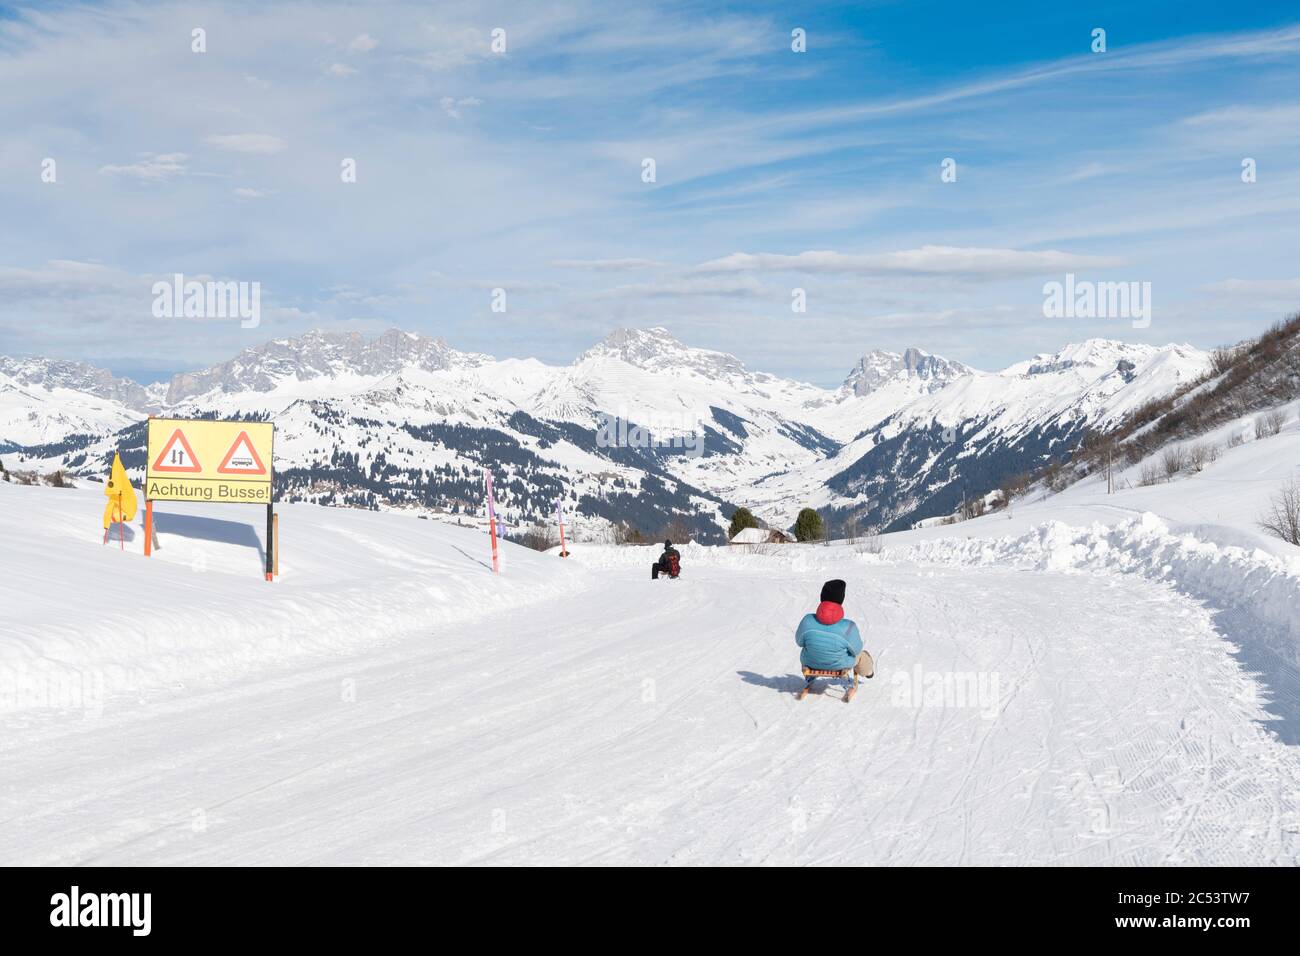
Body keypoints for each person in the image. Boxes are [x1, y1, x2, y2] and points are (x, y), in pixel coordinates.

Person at [795, 579, 874, 678]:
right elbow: (856, 650)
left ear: (822, 597)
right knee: (862, 655)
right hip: (839, 666)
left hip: (810, 663)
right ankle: (868, 672)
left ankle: (812, 674)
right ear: (841, 599)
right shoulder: (849, 626)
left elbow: (799, 642)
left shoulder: (807, 620)